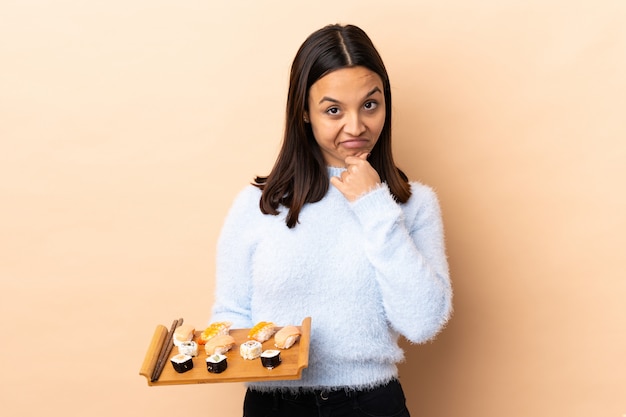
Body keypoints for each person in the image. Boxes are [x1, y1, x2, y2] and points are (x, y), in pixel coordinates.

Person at [210, 23, 452, 417]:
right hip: (273, 404)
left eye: (370, 105)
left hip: (370, 403)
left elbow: (423, 324)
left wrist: (375, 206)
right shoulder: (258, 205)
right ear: (304, 112)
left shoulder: (412, 205)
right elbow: (230, 314)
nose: (356, 127)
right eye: (334, 110)